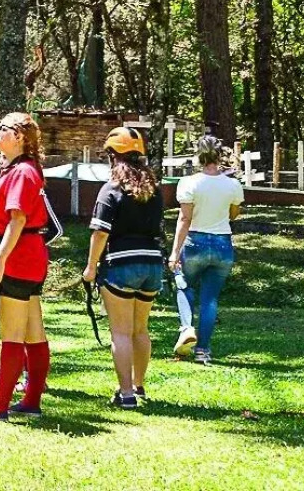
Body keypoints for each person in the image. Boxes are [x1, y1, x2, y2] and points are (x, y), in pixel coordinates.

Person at [0, 111, 53, 421]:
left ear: (19, 136)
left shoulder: (22, 172)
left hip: (19, 256)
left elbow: (18, 219)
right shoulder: (22, 169)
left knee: (12, 333)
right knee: (33, 331)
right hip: (30, 255)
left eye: (2, 128)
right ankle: (30, 402)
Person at [82, 128, 165, 409]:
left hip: (121, 263)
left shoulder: (110, 190)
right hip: (152, 263)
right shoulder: (153, 188)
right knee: (140, 330)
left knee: (120, 331)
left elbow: (100, 233)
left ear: (111, 156)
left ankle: (126, 393)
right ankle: (139, 386)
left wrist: (91, 267)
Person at [169, 135, 244, 364]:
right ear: (219, 155)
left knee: (183, 284)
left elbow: (184, 218)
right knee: (210, 299)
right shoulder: (232, 184)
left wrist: (174, 252)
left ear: (198, 156)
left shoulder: (189, 183)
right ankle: (203, 350)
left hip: (196, 240)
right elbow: (234, 214)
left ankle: (187, 328)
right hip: (223, 243)